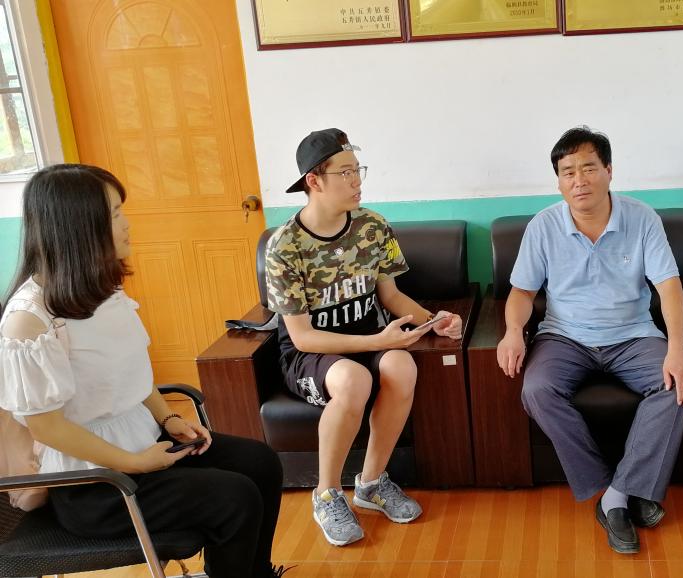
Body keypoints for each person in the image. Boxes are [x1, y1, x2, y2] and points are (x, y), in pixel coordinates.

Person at [0, 164, 286, 577]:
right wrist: (134, 464)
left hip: (143, 442)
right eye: (115, 214)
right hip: (94, 483)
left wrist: (168, 418)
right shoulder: (29, 320)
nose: (127, 224)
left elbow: (133, 371)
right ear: (77, 226)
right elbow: (47, 428)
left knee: (259, 462)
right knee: (234, 497)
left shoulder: (101, 288)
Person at [496, 126, 683, 554]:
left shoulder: (642, 218)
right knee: (537, 389)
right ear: (558, 181)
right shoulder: (543, 226)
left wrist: (678, 349)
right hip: (564, 337)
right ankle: (614, 490)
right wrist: (513, 332)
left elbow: (669, 288)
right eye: (568, 172)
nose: (579, 180)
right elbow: (522, 293)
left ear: (609, 170)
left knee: (675, 385)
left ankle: (618, 495)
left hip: (633, 334)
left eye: (589, 168)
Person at [264, 128, 463, 546]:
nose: (357, 181)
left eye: (358, 170)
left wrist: (433, 320)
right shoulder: (284, 247)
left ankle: (371, 483)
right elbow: (303, 337)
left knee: (401, 366)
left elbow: (391, 295)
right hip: (312, 352)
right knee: (354, 379)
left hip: (368, 335)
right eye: (345, 173)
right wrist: (377, 342)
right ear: (314, 181)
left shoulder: (373, 226)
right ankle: (326, 494)